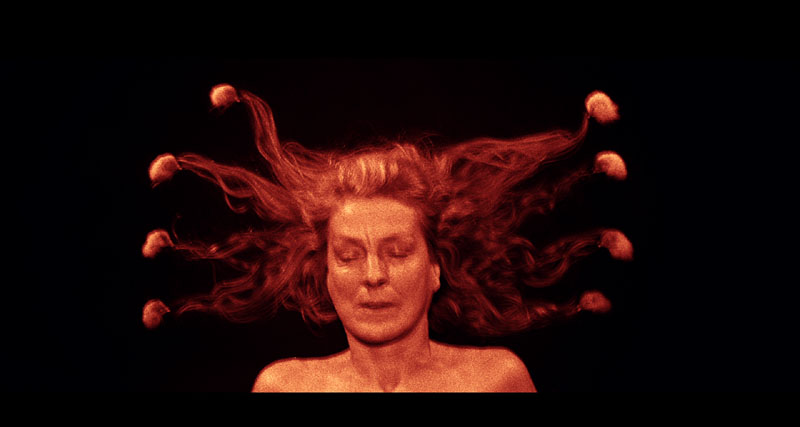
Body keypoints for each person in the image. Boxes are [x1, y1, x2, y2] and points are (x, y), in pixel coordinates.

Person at [142, 83, 632, 392]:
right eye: (349, 255)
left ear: (435, 269)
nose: (374, 276)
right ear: (325, 274)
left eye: (398, 252)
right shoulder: (283, 387)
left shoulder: (496, 380)